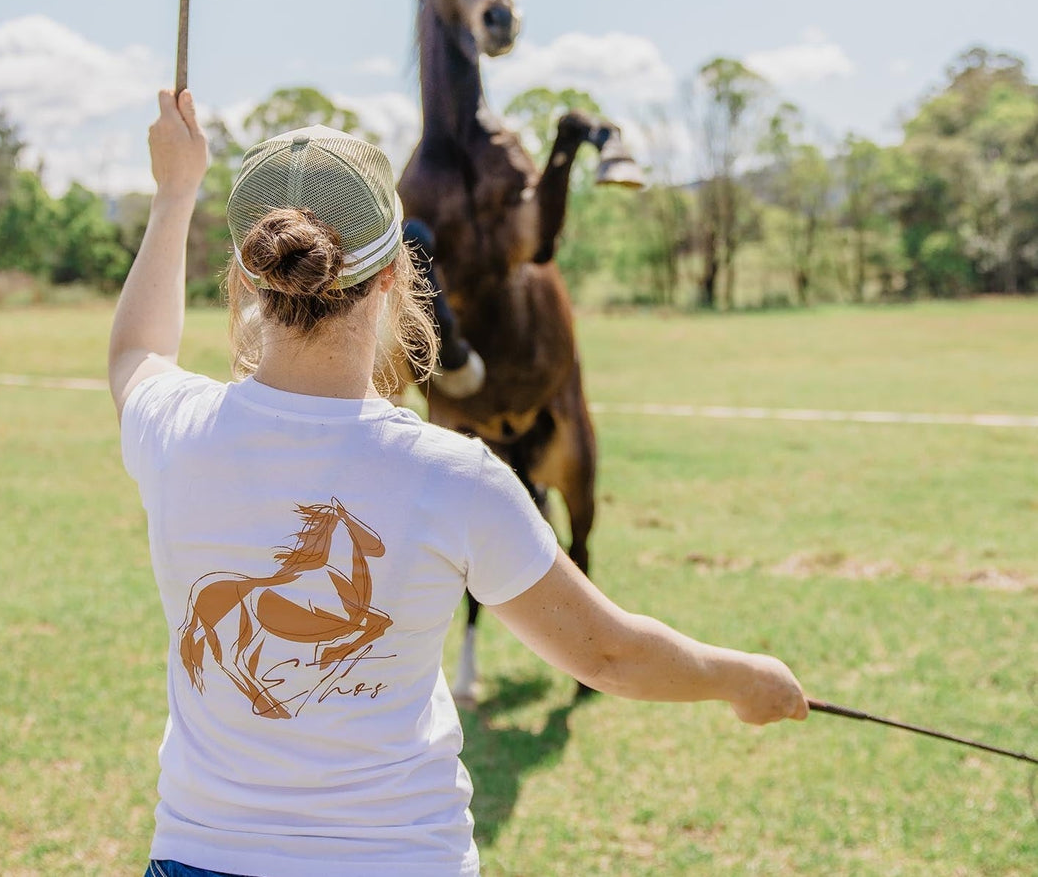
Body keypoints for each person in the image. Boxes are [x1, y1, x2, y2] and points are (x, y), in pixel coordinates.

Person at [110, 89, 808, 877]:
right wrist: (747, 679)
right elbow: (609, 656)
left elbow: (135, 355)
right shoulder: (456, 478)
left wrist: (175, 194)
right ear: (392, 279)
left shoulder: (173, 427)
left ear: (248, 277)